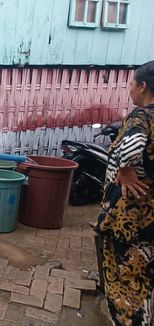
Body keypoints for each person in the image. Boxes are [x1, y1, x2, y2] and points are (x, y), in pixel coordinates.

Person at [96, 60, 154, 325]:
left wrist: (126, 169)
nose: (129, 89)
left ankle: (130, 319)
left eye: (131, 84)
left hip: (131, 217)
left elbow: (131, 145)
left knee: (126, 279)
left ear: (143, 86)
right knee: (145, 276)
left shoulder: (142, 115)